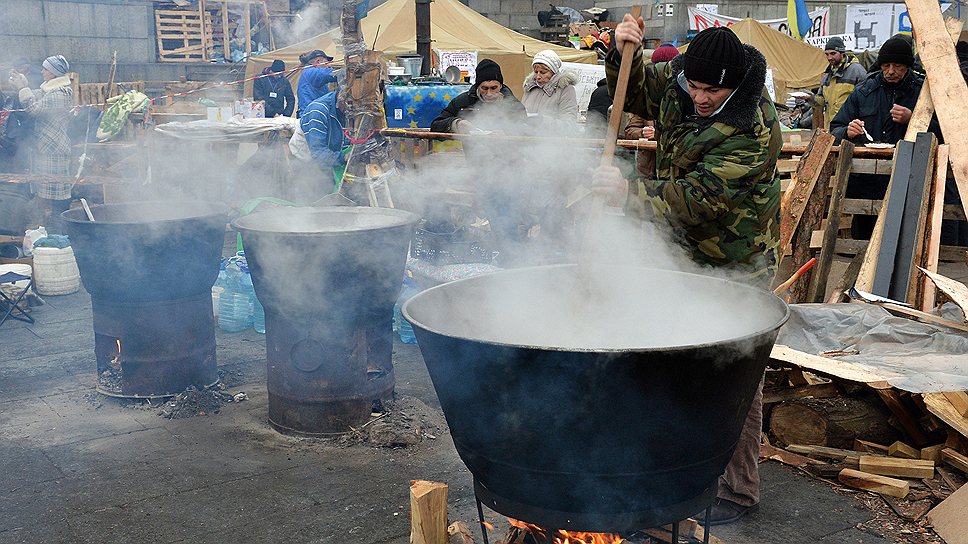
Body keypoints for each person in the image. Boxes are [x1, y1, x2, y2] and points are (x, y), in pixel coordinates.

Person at [596, 19, 782, 525]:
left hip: (735, 258)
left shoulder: (752, 127)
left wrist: (627, 194)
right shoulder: (682, 80)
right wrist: (622, 50)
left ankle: (739, 490)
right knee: (669, 356)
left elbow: (698, 202)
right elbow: (631, 91)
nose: (700, 97)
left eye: (712, 90)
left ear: (736, 84)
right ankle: (673, 467)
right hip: (681, 253)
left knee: (732, 372)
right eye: (695, 86)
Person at [830, 36, 936, 239]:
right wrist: (847, 131)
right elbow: (834, 129)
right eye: (886, 65)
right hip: (867, 181)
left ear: (908, 66)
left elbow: (944, 132)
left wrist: (913, 120)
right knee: (863, 241)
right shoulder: (864, 91)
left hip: (908, 179)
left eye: (897, 66)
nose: (891, 71)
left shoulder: (923, 93)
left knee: (904, 239)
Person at [431, 59, 531, 263]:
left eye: (494, 88)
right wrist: (457, 124)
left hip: (507, 170)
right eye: (484, 88)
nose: (489, 93)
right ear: (477, 86)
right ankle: (489, 255)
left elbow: (525, 134)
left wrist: (507, 135)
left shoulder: (513, 106)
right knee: (486, 213)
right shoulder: (463, 102)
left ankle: (511, 260)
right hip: (477, 170)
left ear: (501, 86)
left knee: (506, 215)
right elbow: (436, 124)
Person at [9, 55, 75, 228]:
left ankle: (60, 232)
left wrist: (23, 87)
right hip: (46, 150)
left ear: (54, 73)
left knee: (57, 198)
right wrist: (21, 84)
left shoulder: (61, 93)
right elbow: (34, 95)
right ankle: (46, 230)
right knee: (45, 195)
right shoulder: (50, 89)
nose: (42, 71)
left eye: (45, 69)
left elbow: (33, 108)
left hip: (54, 151)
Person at [624, 45, 681, 180]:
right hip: (647, 169)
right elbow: (629, 130)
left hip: (675, 171)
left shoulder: (685, 97)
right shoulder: (646, 99)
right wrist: (642, 132)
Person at [298, 77, 348, 203]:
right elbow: (318, 155)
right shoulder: (318, 111)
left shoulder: (348, 111)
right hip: (307, 163)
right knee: (317, 203)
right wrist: (345, 157)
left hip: (332, 159)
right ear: (341, 96)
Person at [815, 37, 868, 130]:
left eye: (833, 53)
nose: (829, 57)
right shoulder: (827, 75)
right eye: (826, 54)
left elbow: (866, 102)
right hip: (831, 128)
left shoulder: (857, 71)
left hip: (849, 128)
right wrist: (809, 98)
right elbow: (821, 102)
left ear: (842, 53)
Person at [522, 50, 579, 130]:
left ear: (553, 72)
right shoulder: (530, 87)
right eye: (536, 72)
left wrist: (542, 121)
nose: (538, 76)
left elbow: (569, 124)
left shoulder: (565, 90)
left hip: (551, 141)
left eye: (543, 72)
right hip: (526, 139)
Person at [296, 50, 335, 117]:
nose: (328, 66)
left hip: (313, 113)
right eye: (326, 63)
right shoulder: (310, 72)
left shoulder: (308, 72)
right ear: (318, 62)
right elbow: (331, 74)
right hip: (312, 115)